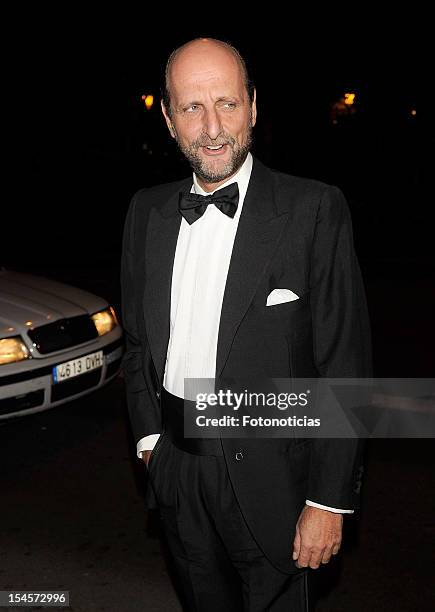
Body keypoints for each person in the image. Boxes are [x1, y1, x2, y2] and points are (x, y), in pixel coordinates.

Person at [121, 37, 372, 612]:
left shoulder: (314, 209)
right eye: (192, 108)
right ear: (168, 118)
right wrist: (150, 444)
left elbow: (346, 367)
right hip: (177, 472)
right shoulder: (146, 212)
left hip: (275, 483)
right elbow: (136, 345)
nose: (212, 127)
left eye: (227, 104)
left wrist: (328, 501)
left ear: (253, 106)